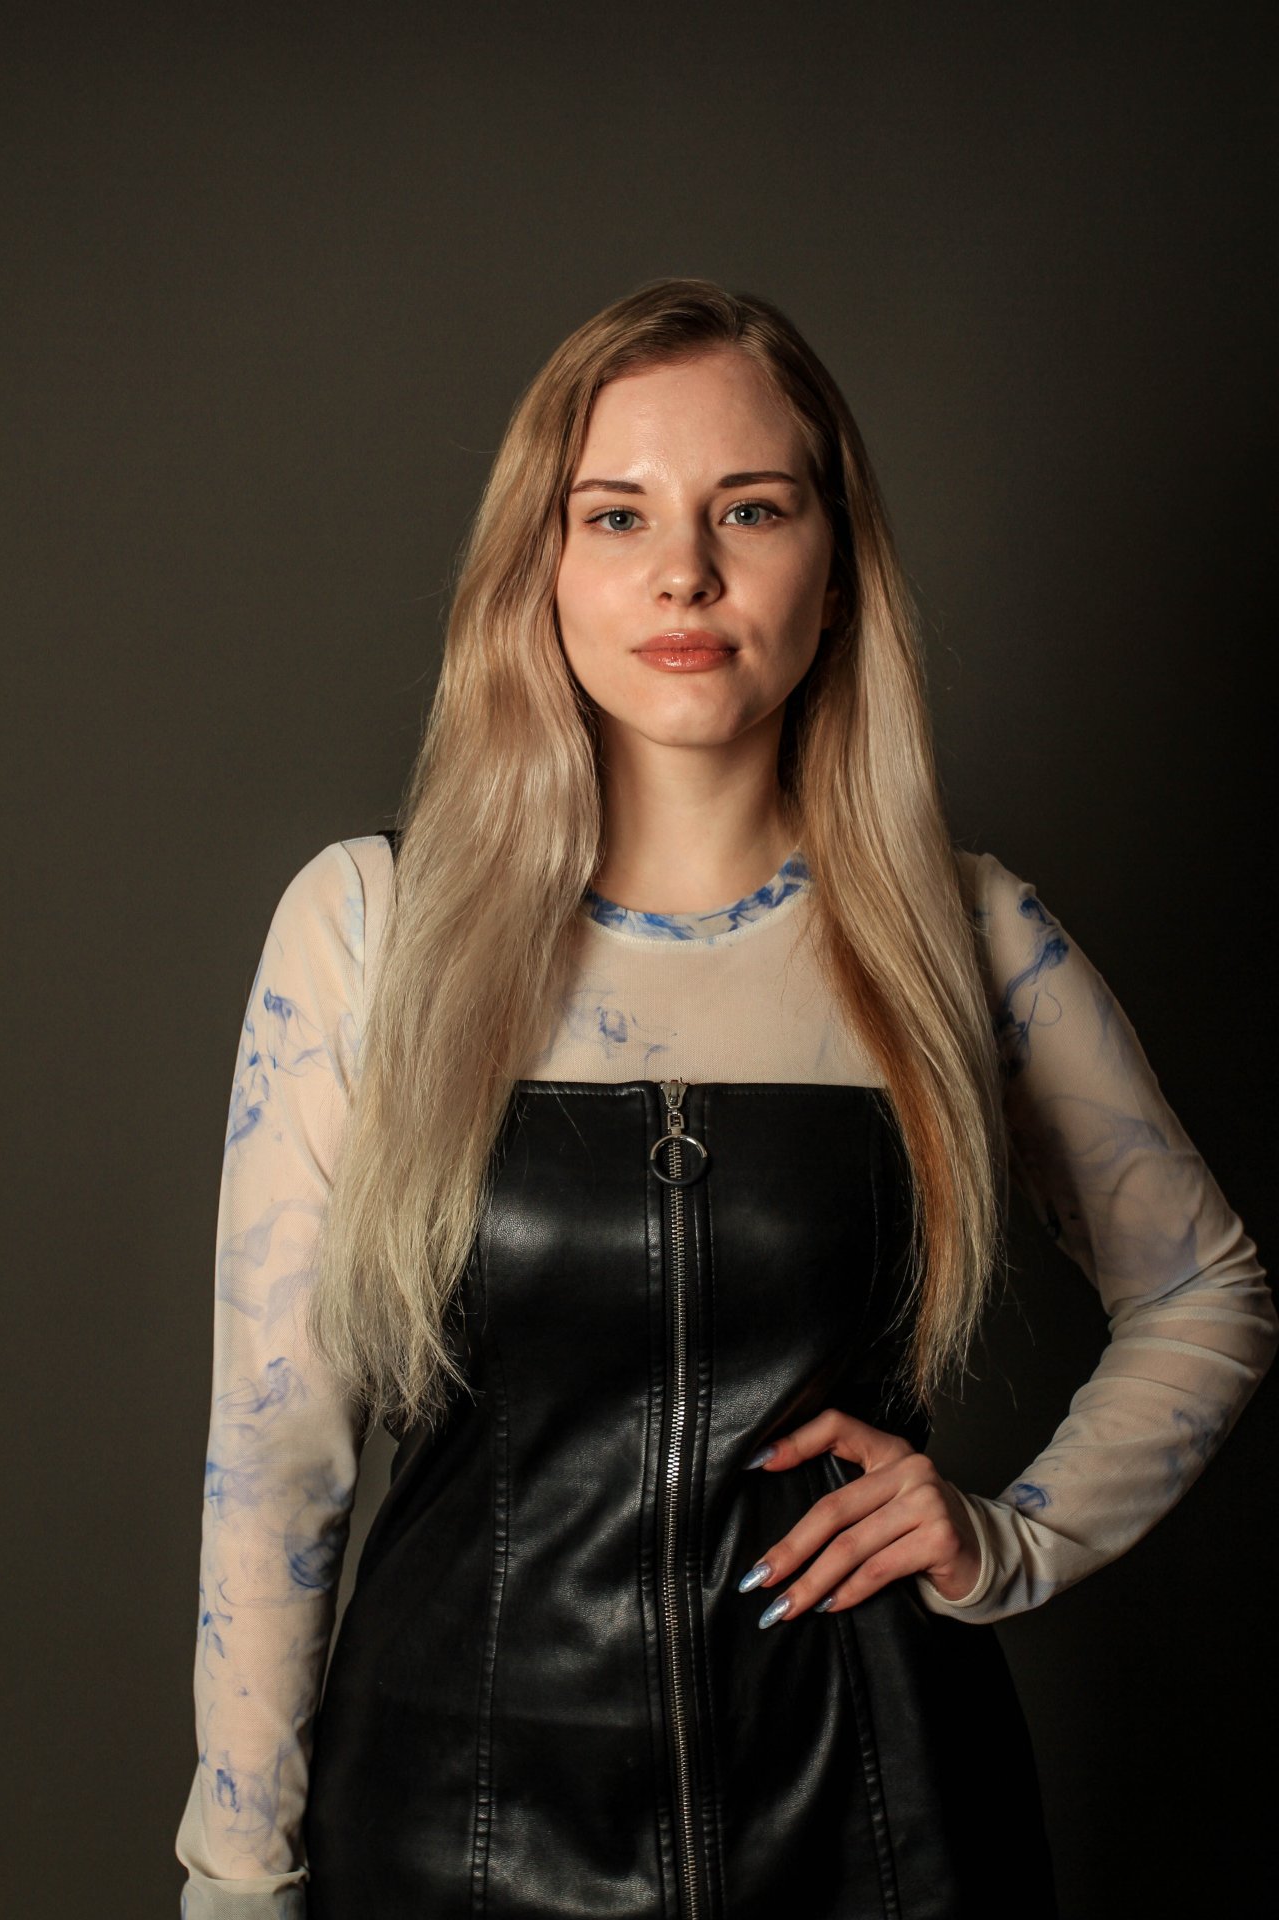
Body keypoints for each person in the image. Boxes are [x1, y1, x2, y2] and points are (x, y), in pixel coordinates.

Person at [175, 279, 1276, 1919]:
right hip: (455, 1828)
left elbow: (1207, 1290)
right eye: (616, 515)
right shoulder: (368, 931)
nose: (683, 571)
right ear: (543, 569)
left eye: (750, 509)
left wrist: (1015, 1535)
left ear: (836, 568)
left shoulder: (966, 935)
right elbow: (277, 1458)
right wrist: (236, 1879)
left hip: (883, 1830)